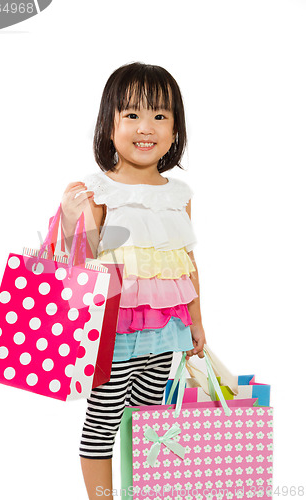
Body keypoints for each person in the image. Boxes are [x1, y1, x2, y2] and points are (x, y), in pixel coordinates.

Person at [61, 62, 206, 500]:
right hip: (113, 330)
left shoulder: (178, 194)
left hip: (167, 329)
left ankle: (145, 491)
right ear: (109, 127)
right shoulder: (98, 191)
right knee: (103, 419)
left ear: (175, 129)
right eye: (132, 115)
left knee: (151, 421)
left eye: (160, 116)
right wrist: (71, 219)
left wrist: (197, 322)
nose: (147, 127)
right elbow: (75, 261)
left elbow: (187, 262)